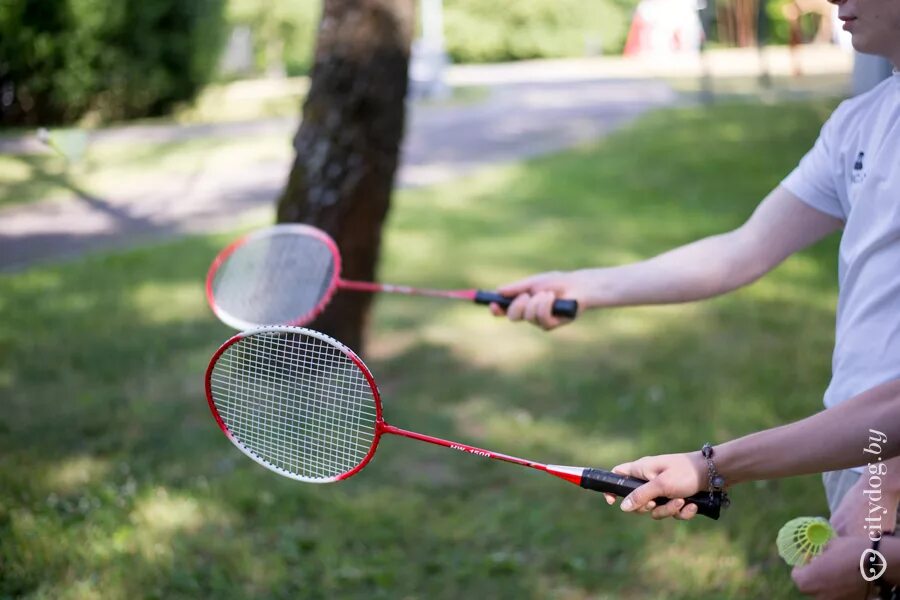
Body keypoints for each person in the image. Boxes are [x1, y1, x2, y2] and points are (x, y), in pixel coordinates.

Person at [491, 0, 900, 575]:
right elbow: (744, 248)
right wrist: (586, 286)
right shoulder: (861, 120)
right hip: (854, 444)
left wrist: (888, 481)